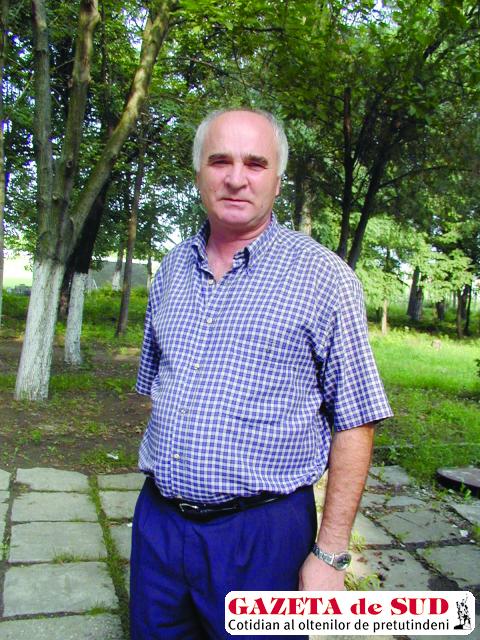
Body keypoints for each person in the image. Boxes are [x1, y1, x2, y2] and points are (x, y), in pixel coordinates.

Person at [130, 108, 392, 640]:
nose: (236, 177)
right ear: (198, 173)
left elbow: (356, 419)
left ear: (277, 178)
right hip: (159, 527)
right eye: (219, 161)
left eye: (255, 163)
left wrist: (330, 554)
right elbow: (160, 390)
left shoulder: (324, 278)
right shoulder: (170, 271)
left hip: (263, 538)